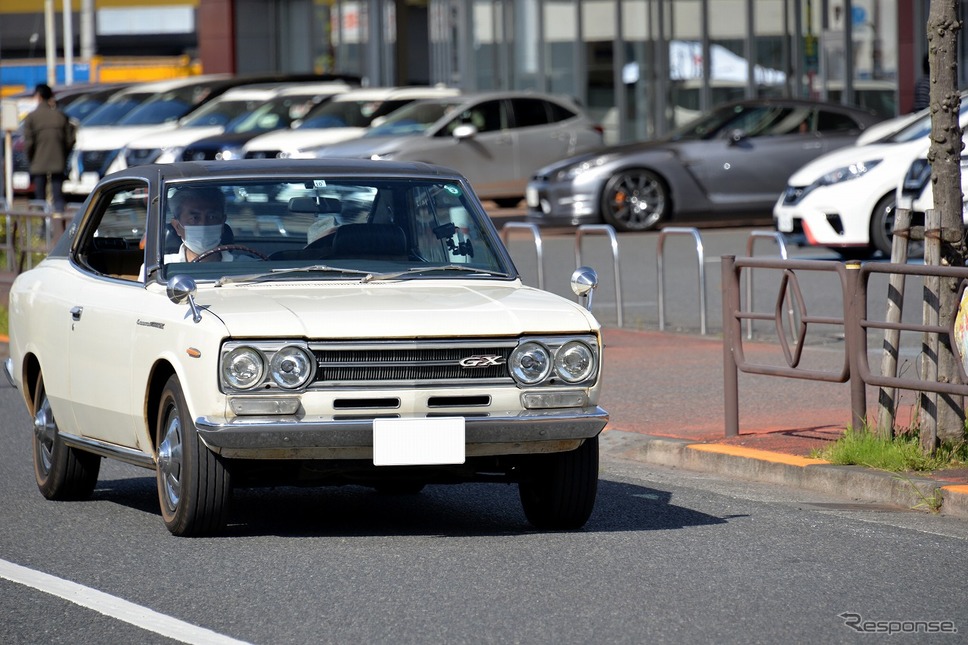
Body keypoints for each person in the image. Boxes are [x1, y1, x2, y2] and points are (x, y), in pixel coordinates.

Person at [22, 83, 75, 214]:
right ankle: (59, 225)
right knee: (58, 196)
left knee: (40, 198)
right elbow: (70, 140)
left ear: (38, 96)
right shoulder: (61, 116)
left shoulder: (31, 117)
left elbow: (29, 143)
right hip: (58, 162)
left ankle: (42, 228)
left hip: (38, 163)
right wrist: (63, 155)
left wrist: (31, 160)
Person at [165, 186, 234, 264]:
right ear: (177, 227)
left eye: (212, 217)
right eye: (194, 218)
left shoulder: (246, 265)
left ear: (222, 223)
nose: (203, 224)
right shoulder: (164, 267)